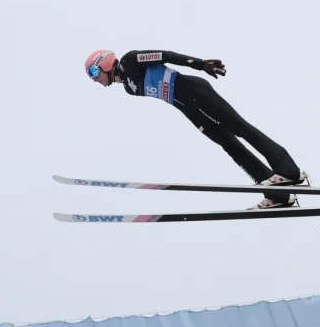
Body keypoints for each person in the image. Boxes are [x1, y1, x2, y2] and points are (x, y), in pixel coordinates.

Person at [84, 49, 307, 209]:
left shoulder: (130, 61)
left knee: (240, 128)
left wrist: (200, 64)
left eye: (94, 73)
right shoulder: (129, 89)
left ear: (104, 63)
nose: (95, 80)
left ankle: (289, 172)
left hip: (195, 91)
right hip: (186, 107)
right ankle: (278, 196)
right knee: (228, 144)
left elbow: (166, 55)